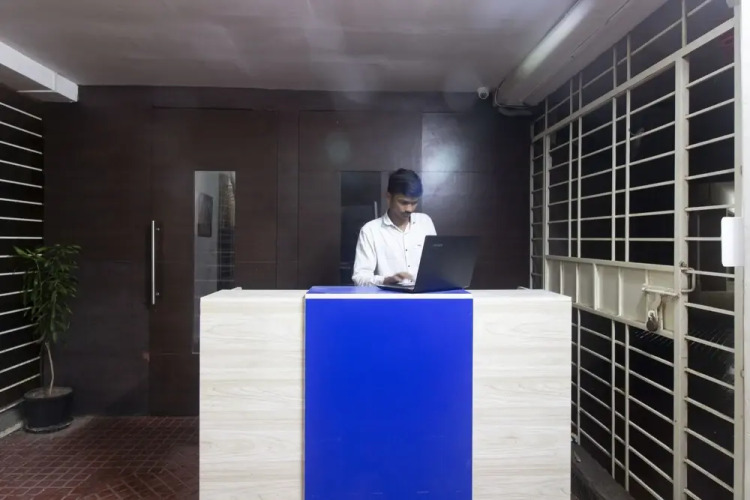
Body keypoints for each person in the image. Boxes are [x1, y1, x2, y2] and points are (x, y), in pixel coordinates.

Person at [352, 168, 436, 286]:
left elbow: (436, 265)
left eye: (414, 203)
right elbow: (360, 278)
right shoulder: (370, 231)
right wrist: (386, 280)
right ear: (389, 197)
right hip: (388, 296)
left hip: (425, 294)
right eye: (403, 202)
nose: (409, 209)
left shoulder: (425, 222)